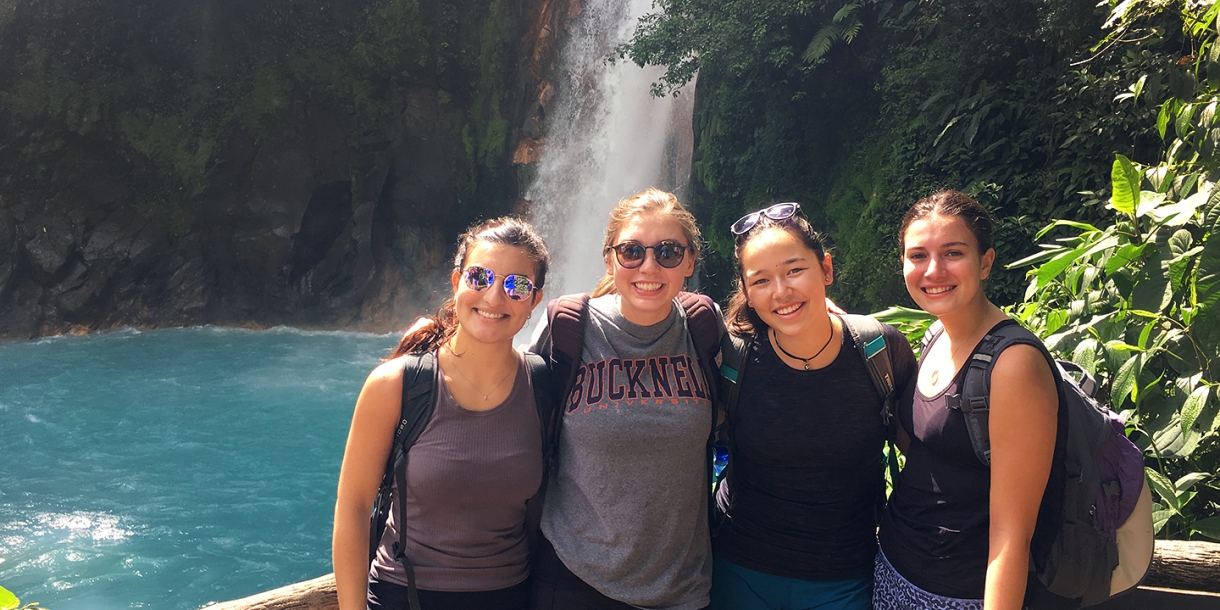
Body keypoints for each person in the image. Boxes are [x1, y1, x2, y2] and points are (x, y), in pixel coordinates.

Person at [332, 217, 550, 610]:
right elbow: (354, 506)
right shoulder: (395, 385)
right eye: (480, 277)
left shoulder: (542, 385)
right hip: (405, 596)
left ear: (535, 301)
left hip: (511, 598)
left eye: (517, 285)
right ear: (456, 283)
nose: (495, 297)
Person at [709, 202, 916, 610]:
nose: (781, 292)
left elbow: (926, 455)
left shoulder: (879, 350)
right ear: (747, 293)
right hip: (737, 567)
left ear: (826, 269)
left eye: (795, 270)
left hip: (843, 578)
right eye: (761, 280)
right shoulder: (733, 358)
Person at [528, 188, 719, 610]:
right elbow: (506, 397)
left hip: (683, 588)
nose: (649, 266)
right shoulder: (568, 328)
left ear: (689, 260)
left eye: (668, 252)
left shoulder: (705, 328)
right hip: (575, 579)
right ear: (610, 259)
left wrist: (823, 308)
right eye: (631, 251)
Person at [875, 190, 1064, 609]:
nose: (934, 270)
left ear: (986, 262)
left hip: (959, 593)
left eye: (953, 253)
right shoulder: (935, 336)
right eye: (918, 255)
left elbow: (1012, 535)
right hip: (894, 569)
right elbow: (930, 447)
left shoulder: (1013, 364)